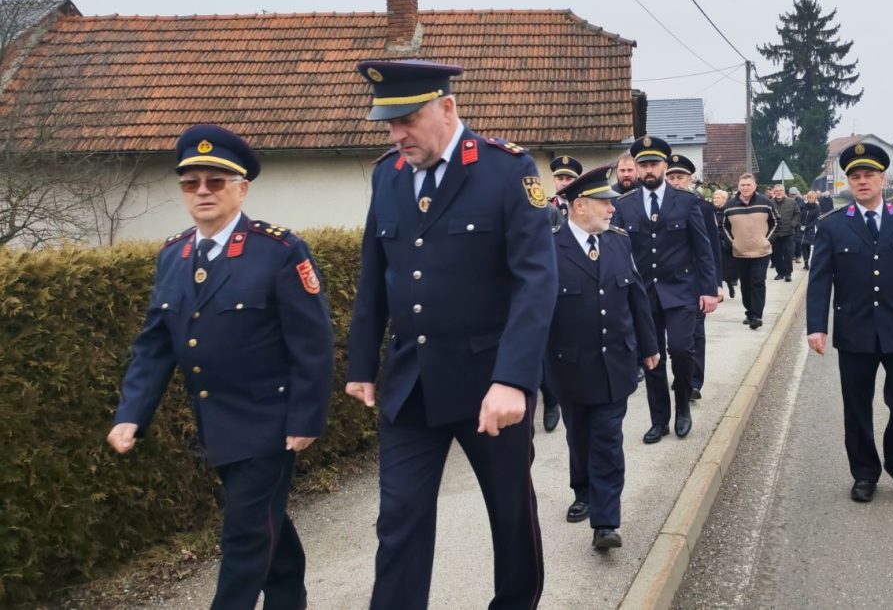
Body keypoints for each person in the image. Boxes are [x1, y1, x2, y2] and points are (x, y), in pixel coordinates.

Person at [345, 60, 557, 609]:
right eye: (388, 124)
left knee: (509, 514)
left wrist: (513, 379)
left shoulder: (506, 170)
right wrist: (362, 364)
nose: (397, 135)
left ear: (447, 108)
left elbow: (536, 281)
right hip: (411, 382)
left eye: (407, 120)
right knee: (399, 520)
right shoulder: (387, 175)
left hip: (489, 382)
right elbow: (376, 273)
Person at [108, 124, 334, 610]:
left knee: (244, 536)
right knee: (268, 525)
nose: (203, 191)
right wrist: (132, 413)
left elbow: (313, 341)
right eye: (191, 183)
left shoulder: (278, 250)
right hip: (217, 425)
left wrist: (306, 418)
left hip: (269, 423)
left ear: (242, 188)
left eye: (216, 181)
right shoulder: (173, 255)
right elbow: (155, 345)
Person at [806, 142, 893, 505]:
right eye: (855, 176)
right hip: (855, 332)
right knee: (857, 407)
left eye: (869, 175)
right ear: (848, 182)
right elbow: (820, 281)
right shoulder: (833, 226)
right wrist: (816, 326)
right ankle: (865, 473)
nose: (862, 181)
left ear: (883, 179)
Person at [544, 167, 659, 550]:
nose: (612, 209)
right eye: (603, 203)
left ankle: (606, 522)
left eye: (612, 202)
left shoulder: (618, 243)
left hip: (615, 364)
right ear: (579, 206)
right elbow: (536, 312)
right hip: (570, 366)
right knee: (579, 435)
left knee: (608, 439)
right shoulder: (549, 248)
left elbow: (636, 298)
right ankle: (583, 491)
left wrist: (649, 348)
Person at [612, 136, 719, 444]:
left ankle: (683, 405)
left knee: (682, 350)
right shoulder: (625, 205)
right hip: (643, 294)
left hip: (682, 290)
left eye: (653, 164)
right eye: (642, 164)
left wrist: (709, 289)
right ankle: (659, 419)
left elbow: (703, 250)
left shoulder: (686, 202)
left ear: (664, 165)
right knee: (651, 356)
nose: (648, 170)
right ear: (636, 167)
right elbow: (618, 251)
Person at [664, 154, 723, 401]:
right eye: (672, 177)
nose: (676, 182)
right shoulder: (659, 207)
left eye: (681, 177)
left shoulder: (702, 207)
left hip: (697, 281)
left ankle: (693, 382)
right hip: (668, 282)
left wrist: (715, 283)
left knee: (695, 334)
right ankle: (682, 376)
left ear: (690, 179)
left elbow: (711, 249)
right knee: (675, 339)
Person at [539, 155, 584, 433]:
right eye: (560, 178)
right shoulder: (543, 208)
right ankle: (551, 399)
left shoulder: (588, 205)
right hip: (552, 286)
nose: (563, 182)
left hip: (581, 284)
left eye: (568, 178)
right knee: (547, 347)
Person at [722, 173, 777, 329]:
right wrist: (732, 243)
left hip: (762, 252)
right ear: (739, 187)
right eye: (743, 185)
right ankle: (750, 312)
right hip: (740, 252)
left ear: (754, 186)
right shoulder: (730, 205)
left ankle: (756, 316)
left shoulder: (766, 202)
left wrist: (767, 240)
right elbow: (723, 227)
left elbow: (776, 222)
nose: (745, 188)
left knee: (758, 282)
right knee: (745, 284)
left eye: (748, 185)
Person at [711, 189, 739, 298]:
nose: (715, 200)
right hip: (713, 242)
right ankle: (719, 292)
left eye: (718, 197)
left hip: (725, 242)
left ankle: (730, 286)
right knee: (715, 269)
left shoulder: (728, 211)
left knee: (725, 269)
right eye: (714, 197)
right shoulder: (710, 210)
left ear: (724, 199)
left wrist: (728, 241)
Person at [770, 184, 801, 282]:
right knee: (776, 255)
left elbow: (797, 214)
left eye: (781, 190)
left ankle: (788, 273)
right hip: (775, 233)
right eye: (777, 191)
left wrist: (793, 224)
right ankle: (780, 273)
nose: (779, 192)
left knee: (788, 254)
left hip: (788, 232)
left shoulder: (792, 202)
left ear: (784, 192)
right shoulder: (769, 203)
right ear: (774, 192)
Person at [800, 190, 821, 270]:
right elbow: (800, 216)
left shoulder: (817, 207)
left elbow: (816, 220)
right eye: (809, 197)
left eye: (812, 198)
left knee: (808, 245)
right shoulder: (803, 206)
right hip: (801, 228)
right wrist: (801, 225)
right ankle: (806, 263)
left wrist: (807, 227)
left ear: (815, 198)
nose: (811, 199)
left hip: (810, 229)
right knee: (803, 245)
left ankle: (807, 260)